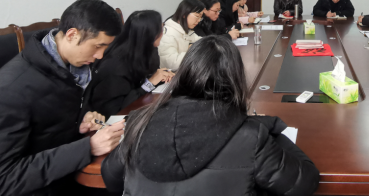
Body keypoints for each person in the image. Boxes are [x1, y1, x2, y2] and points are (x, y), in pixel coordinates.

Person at [102, 36, 320, 195]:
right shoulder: (250, 136)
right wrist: (272, 128)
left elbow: (111, 179)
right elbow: (304, 183)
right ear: (235, 78)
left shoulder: (140, 121)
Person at [0, 0, 126, 196]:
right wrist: (87, 147)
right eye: (98, 46)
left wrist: (80, 122)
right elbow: (6, 179)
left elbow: (47, 127)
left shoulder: (73, 68)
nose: (100, 56)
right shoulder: (11, 89)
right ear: (72, 35)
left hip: (69, 173)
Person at [84, 10, 175, 118]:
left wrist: (160, 76)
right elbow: (117, 110)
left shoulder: (146, 50)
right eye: (161, 30)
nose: (162, 34)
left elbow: (147, 75)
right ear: (149, 35)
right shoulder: (116, 67)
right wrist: (149, 83)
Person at [158, 0, 204, 71]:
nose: (199, 20)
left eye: (201, 17)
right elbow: (171, 64)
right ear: (184, 14)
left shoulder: (185, 30)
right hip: (171, 75)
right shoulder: (169, 33)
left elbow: (202, 41)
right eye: (197, 16)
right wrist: (191, 50)